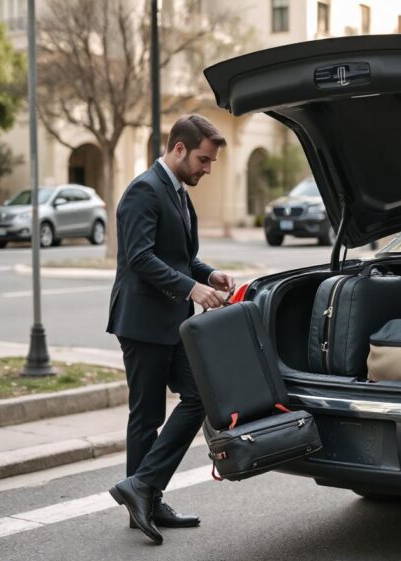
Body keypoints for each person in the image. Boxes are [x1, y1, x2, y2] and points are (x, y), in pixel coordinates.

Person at [106, 114, 234, 545]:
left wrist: (209, 274)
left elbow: (179, 256)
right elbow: (140, 257)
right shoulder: (144, 190)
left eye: (211, 161)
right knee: (146, 416)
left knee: (200, 396)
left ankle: (143, 488)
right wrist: (193, 289)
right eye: (203, 159)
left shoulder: (178, 193)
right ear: (178, 148)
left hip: (172, 320)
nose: (206, 168)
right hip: (142, 320)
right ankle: (144, 498)